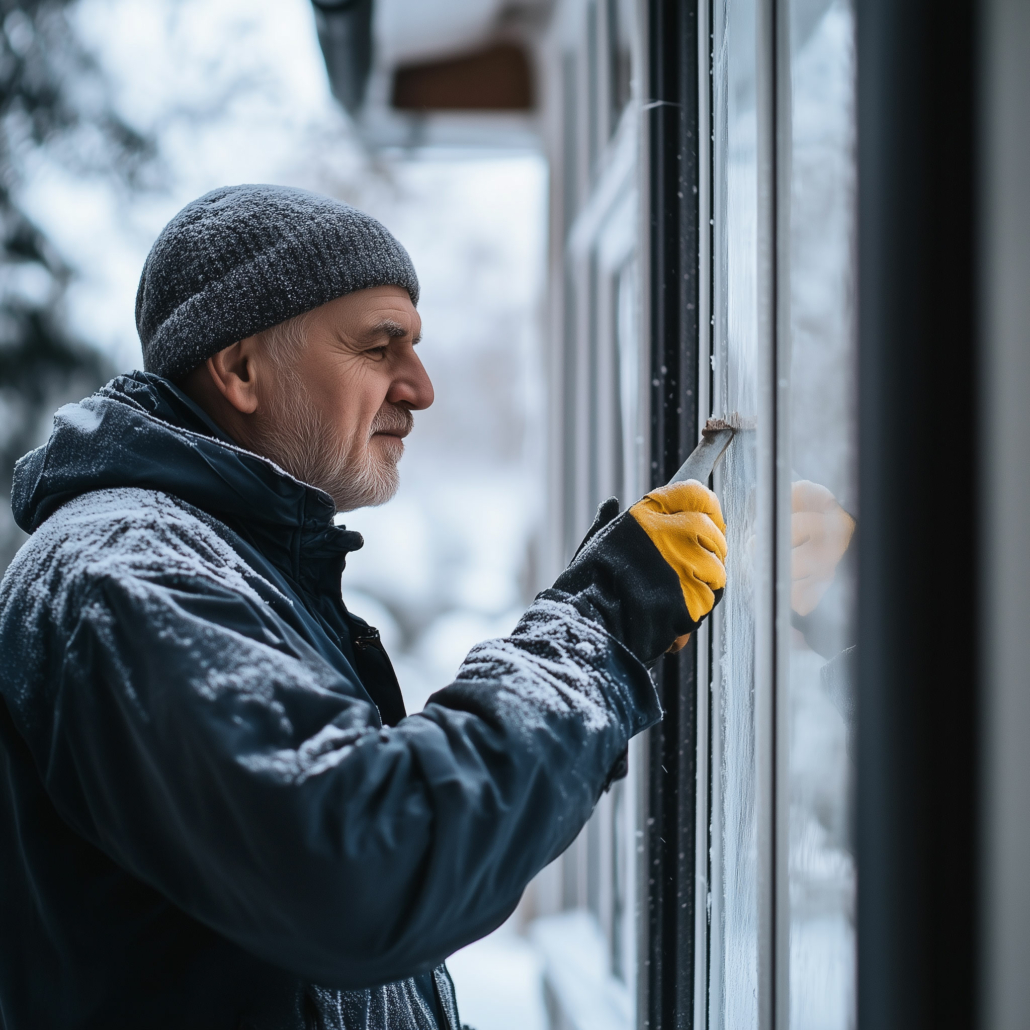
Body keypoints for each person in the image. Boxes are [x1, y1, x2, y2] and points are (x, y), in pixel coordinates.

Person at [0, 185, 728, 1030]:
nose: (420, 387)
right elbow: (367, 864)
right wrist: (596, 631)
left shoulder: (229, 563)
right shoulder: (127, 574)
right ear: (240, 370)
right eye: (380, 347)